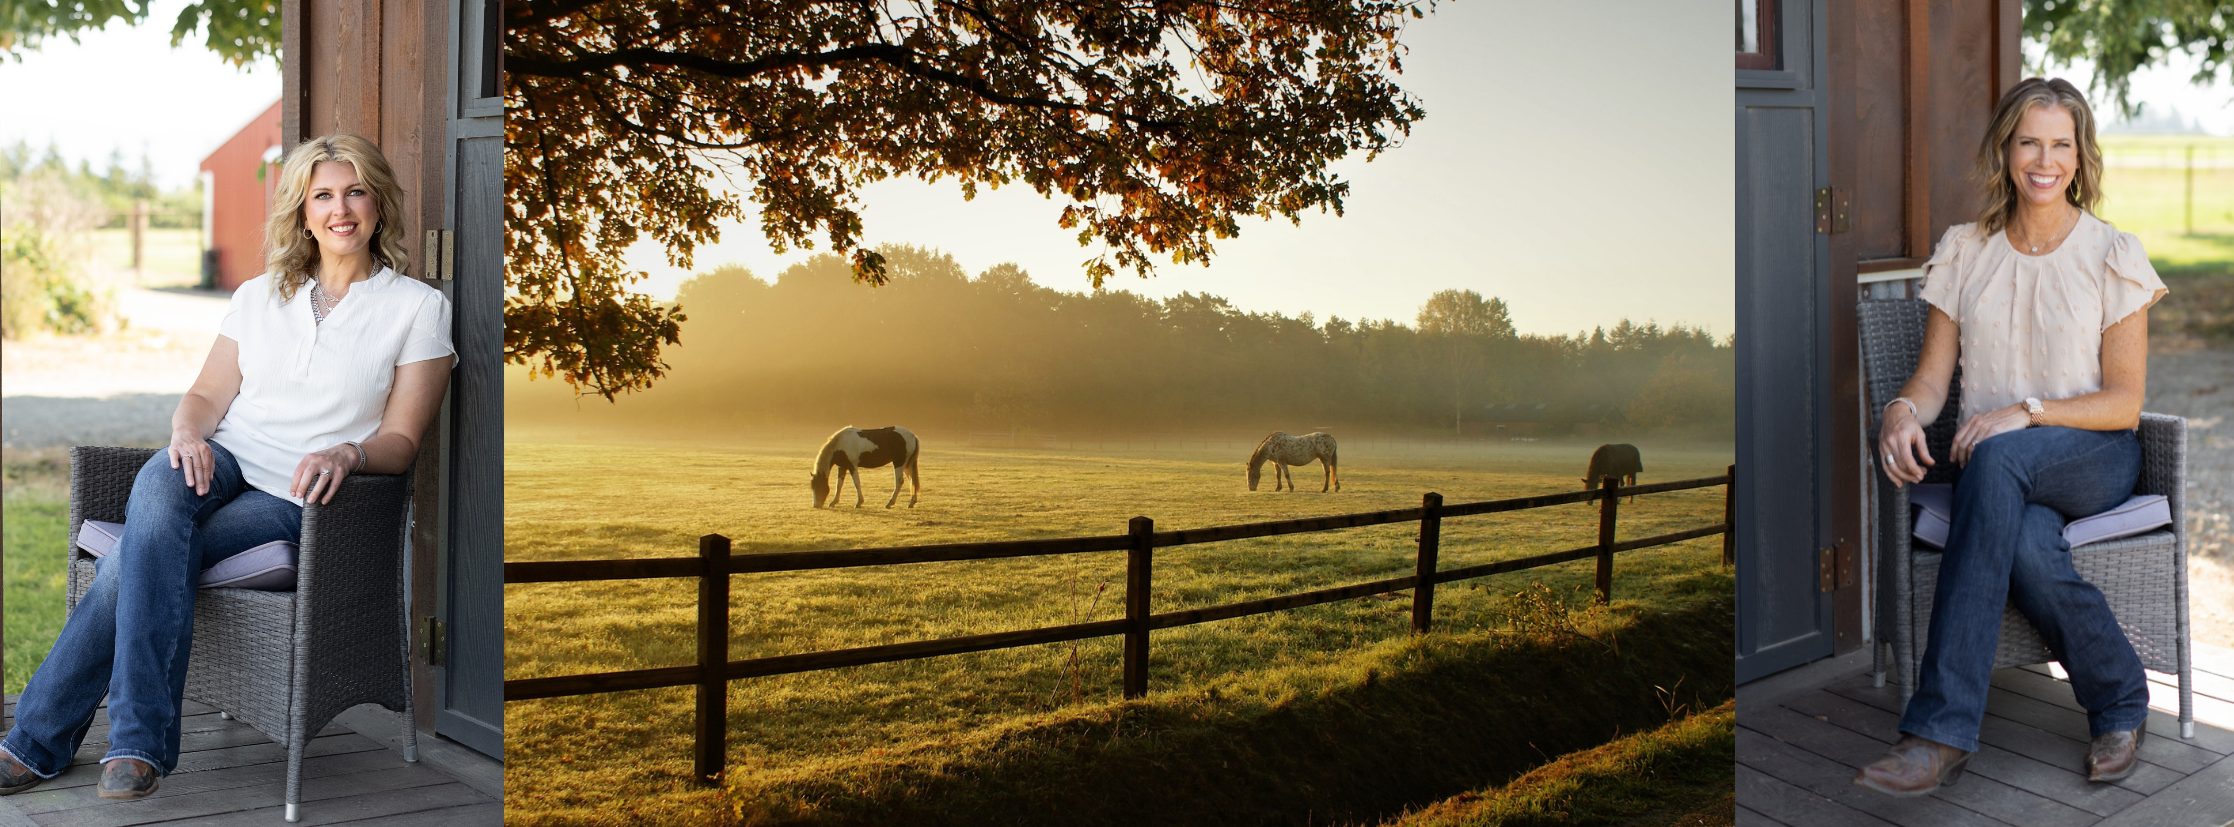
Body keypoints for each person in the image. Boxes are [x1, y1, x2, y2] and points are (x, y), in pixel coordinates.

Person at [0, 135, 453, 799]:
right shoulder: (258, 295)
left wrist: (347, 451)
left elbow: (402, 439)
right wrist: (186, 433)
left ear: (380, 203)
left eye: (355, 191)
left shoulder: (417, 307)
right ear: (302, 212)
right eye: (322, 195)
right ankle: (128, 746)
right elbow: (208, 397)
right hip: (223, 459)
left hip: (298, 494)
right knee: (160, 481)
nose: (341, 209)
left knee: (132, 559)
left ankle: (50, 743)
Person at [1854, 78, 2167, 797]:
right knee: (2023, 533)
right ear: (2006, 149)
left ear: (2081, 158)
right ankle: (2120, 698)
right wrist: (1902, 408)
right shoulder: (1967, 252)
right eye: (2030, 141)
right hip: (2001, 472)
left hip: (2092, 452)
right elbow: (1934, 379)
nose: (2044, 159)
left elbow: (2123, 402)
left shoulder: (2112, 253)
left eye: (2061, 144)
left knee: (1994, 456)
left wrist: (2026, 411)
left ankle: (1937, 731)